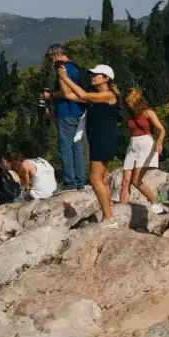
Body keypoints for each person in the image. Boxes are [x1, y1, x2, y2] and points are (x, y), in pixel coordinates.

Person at [58, 63, 123, 226]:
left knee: (94, 179)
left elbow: (83, 95)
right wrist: (60, 76)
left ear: (106, 79)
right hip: (98, 139)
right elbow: (68, 95)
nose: (93, 77)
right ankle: (108, 215)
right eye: (92, 74)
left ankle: (109, 218)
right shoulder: (96, 96)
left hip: (104, 138)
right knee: (102, 179)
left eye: (97, 75)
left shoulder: (108, 95)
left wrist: (66, 77)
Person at [40, 44, 87, 193]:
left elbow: (65, 91)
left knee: (65, 147)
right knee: (77, 147)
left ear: (59, 55)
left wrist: (50, 96)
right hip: (79, 112)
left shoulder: (63, 69)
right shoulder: (76, 68)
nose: (50, 62)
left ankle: (69, 182)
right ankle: (80, 180)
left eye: (51, 58)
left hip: (66, 111)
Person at [119, 89, 168, 211]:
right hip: (133, 144)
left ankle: (155, 203)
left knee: (136, 181)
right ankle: (121, 211)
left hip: (146, 143)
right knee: (125, 182)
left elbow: (162, 130)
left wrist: (159, 142)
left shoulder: (148, 113)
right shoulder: (129, 114)